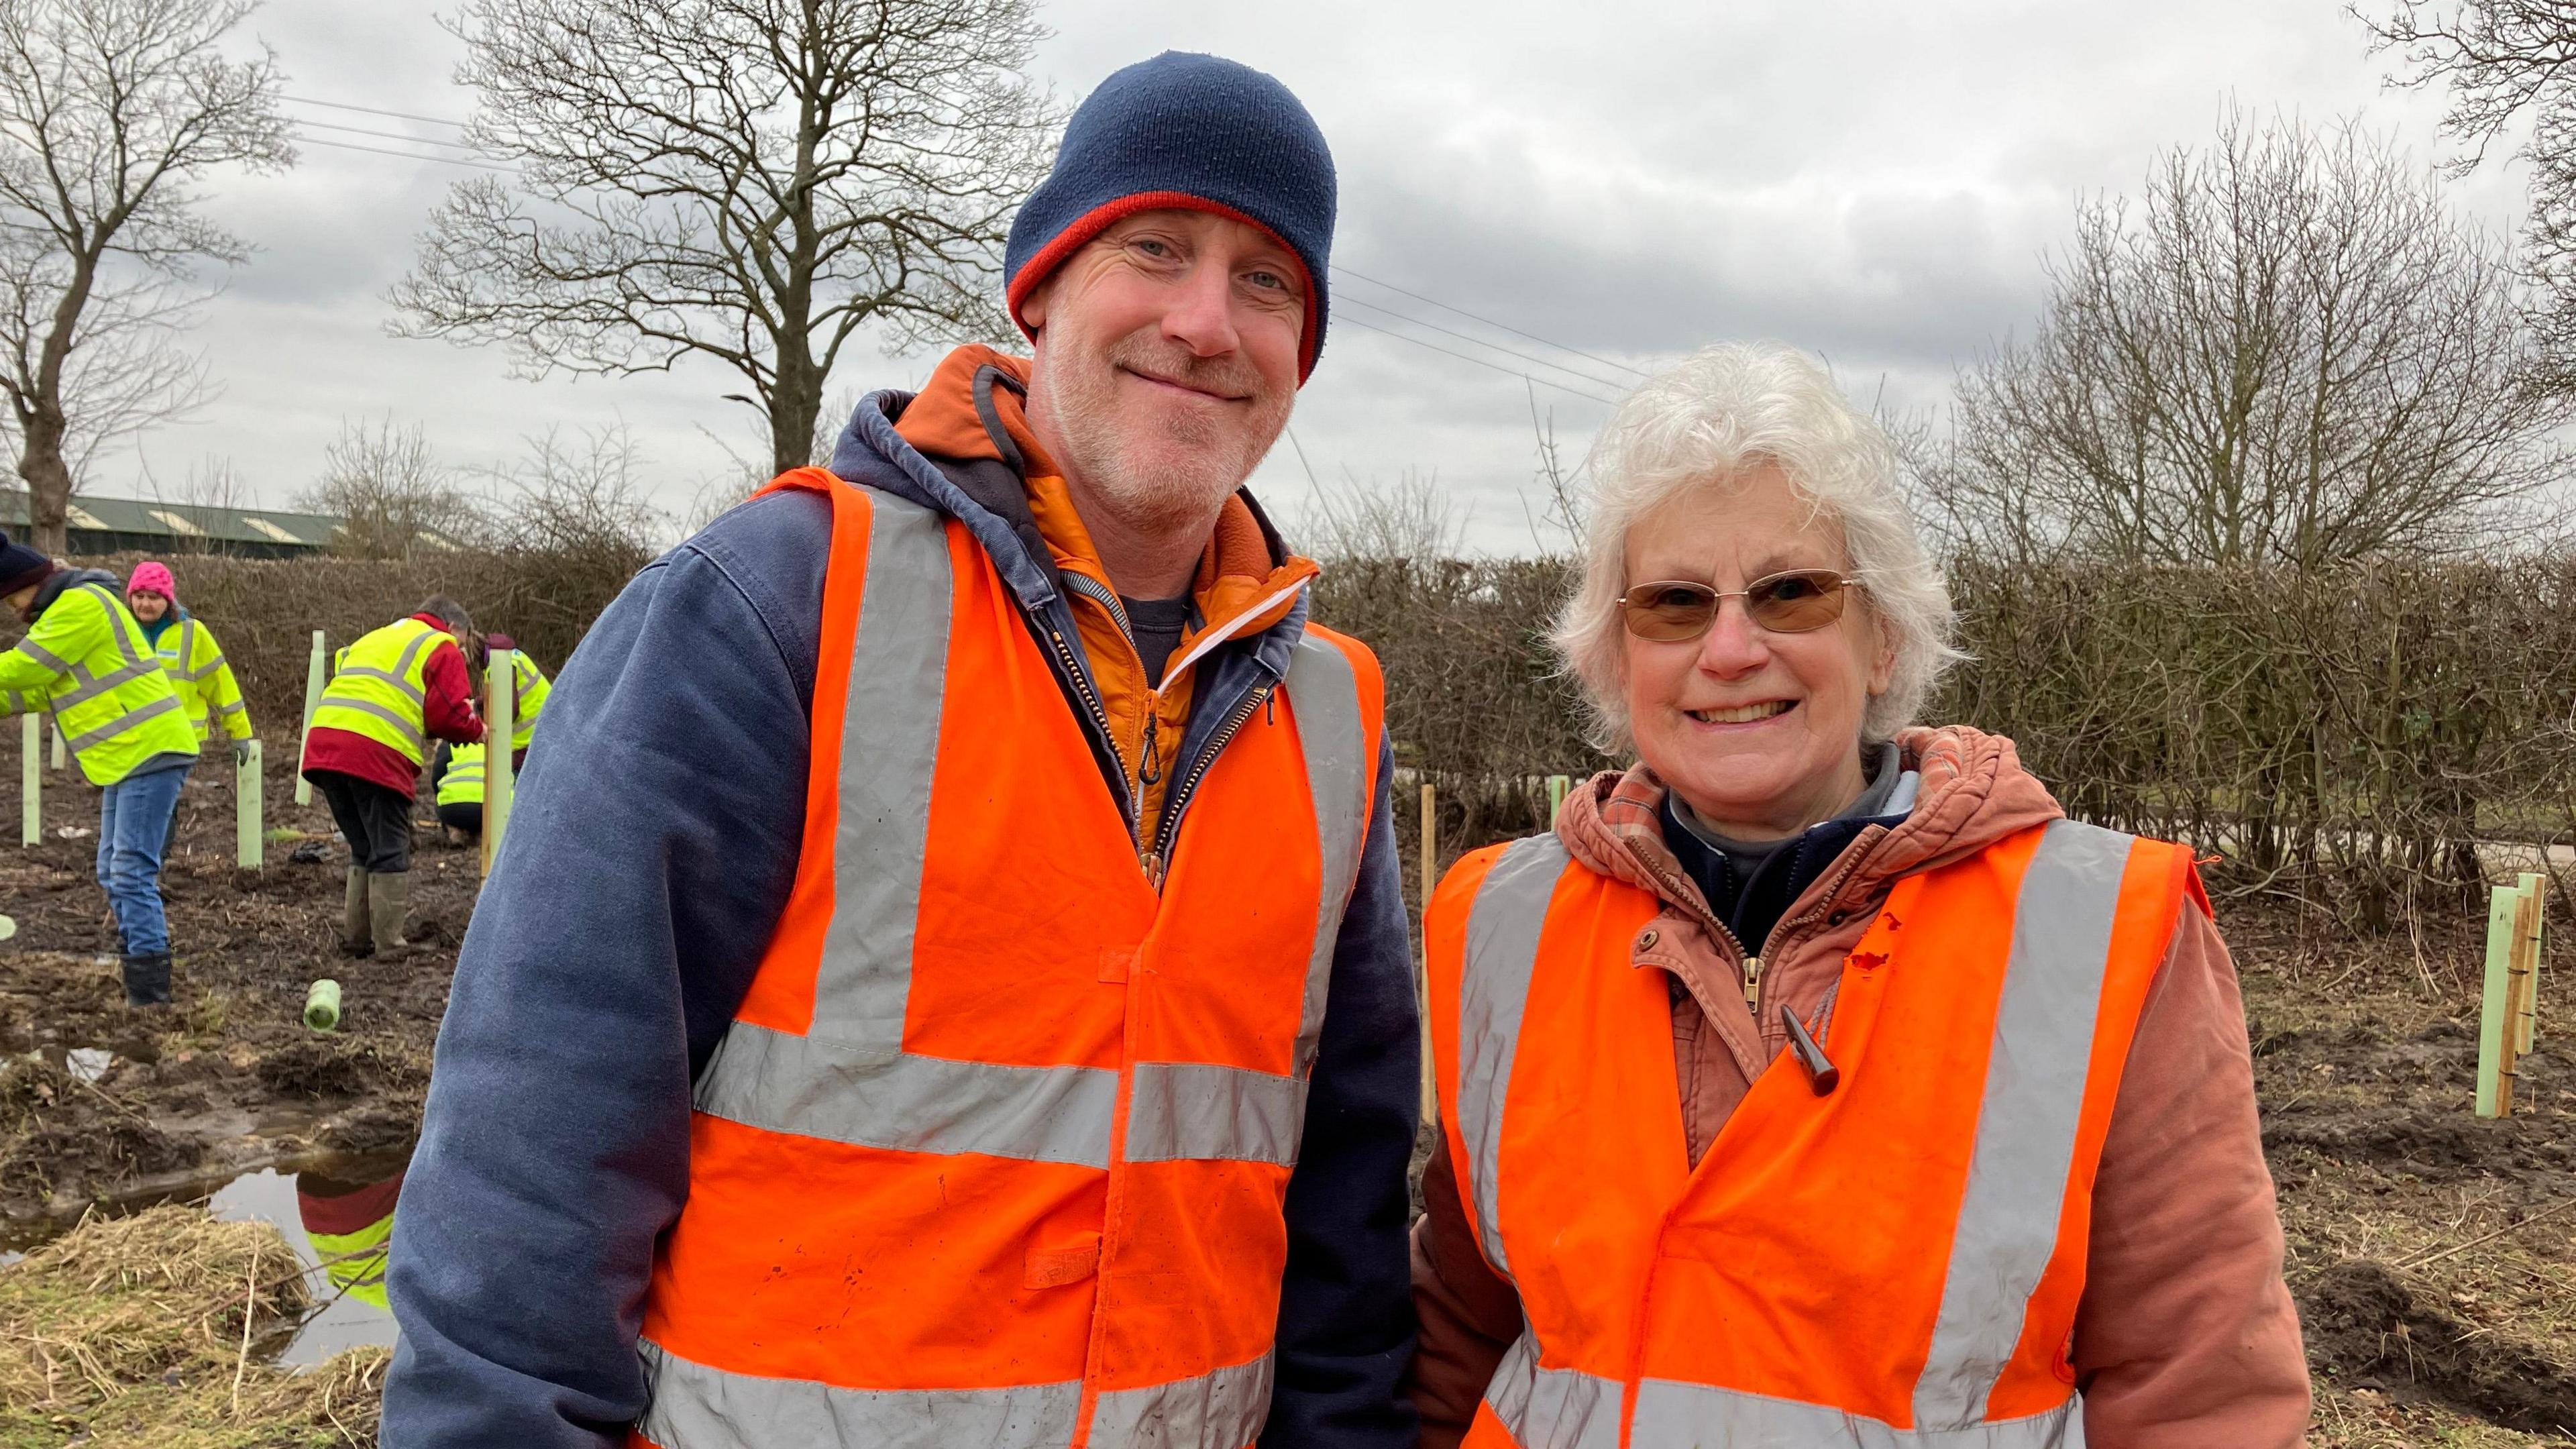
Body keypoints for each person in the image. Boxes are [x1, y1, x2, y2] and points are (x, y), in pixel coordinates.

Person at [382, 52, 1420, 1449]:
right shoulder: (774, 606)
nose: (1205, 321)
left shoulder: (1332, 712)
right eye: (1156, 250)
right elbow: (535, 1149)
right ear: (1039, 285)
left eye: (1266, 282)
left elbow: (1343, 1237)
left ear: (1302, 349)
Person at [1406, 343, 2310, 1448]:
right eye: (1675, 605)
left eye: (1791, 592)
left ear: (1881, 637)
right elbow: (1458, 1333)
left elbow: (2200, 1391)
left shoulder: (2106, 932)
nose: (1731, 649)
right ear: (1614, 656)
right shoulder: (1496, 919)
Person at [0, 533, 201, 1006]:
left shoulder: (81, 606)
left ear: (31, 584)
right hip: (128, 755)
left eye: (11, 599)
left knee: (130, 872)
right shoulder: (69, 613)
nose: (12, 611)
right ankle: (140, 974)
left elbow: (26, 669)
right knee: (113, 870)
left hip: (147, 749)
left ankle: (151, 997)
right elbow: (35, 690)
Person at [299, 597, 484, 958]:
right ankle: (389, 944)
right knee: (390, 848)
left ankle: (357, 938)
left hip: (324, 744)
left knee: (365, 846)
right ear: (454, 628)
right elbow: (449, 717)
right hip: (374, 751)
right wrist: (478, 731)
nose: (461, 651)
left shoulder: (378, 637)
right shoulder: (440, 644)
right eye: (463, 644)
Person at [126, 561, 254, 859]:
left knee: (160, 807)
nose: (145, 604)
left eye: (154, 597)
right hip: (129, 738)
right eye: (139, 595)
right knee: (130, 807)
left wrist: (240, 732)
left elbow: (222, 685)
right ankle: (135, 869)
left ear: (167, 601)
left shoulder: (193, 634)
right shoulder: (119, 632)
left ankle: (151, 868)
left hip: (177, 741)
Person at [427, 740, 485, 843]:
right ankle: (482, 835)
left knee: (445, 800)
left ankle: (455, 832)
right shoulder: (494, 743)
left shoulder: (449, 743)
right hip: (487, 810)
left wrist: (438, 795)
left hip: (452, 808)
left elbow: (437, 775)